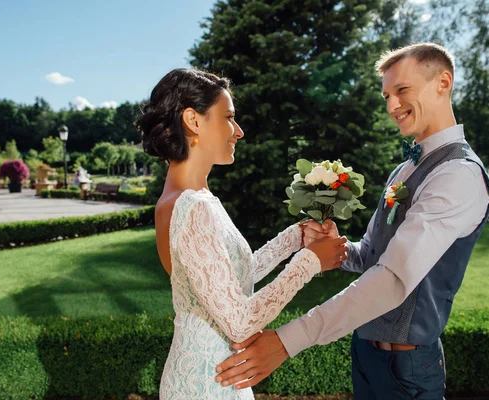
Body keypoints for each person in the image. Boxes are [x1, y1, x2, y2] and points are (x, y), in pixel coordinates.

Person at [215, 42, 489, 399]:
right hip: (366, 353)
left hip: (408, 369)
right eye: (386, 96)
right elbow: (372, 254)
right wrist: (338, 248)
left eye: (402, 90)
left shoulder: (458, 175)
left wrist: (287, 341)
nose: (392, 106)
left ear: (443, 83)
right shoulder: (406, 168)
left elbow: (392, 279)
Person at [134, 68, 349, 400]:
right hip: (207, 383)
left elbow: (229, 279)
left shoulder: (189, 199)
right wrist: (309, 263)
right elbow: (238, 322)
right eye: (229, 118)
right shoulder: (192, 206)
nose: (239, 131)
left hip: (216, 375)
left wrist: (295, 239)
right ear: (193, 120)